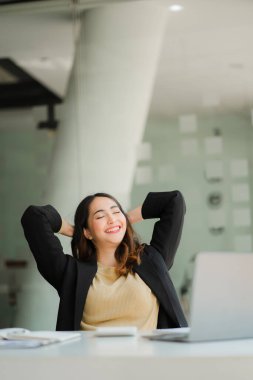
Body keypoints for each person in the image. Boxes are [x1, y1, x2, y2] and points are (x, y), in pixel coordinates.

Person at [21, 191, 188, 331]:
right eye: (100, 216)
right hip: (90, 366)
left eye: (116, 212)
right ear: (87, 232)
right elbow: (34, 217)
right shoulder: (70, 272)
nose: (111, 218)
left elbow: (174, 201)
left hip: (146, 365)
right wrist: (75, 231)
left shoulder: (152, 261)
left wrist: (124, 220)